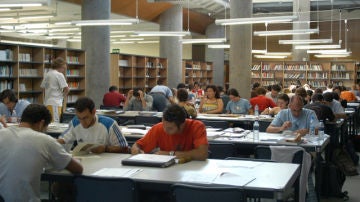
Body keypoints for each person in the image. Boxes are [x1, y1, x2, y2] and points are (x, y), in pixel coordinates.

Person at [0, 104, 83, 201]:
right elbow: (78, 169)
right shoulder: (45, 140)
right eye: (45, 129)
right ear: (41, 123)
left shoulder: (2, 133)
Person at [131, 104, 208, 161]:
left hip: (191, 170)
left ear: (182, 125)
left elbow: (202, 154)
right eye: (164, 125)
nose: (165, 130)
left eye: (170, 128)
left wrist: (170, 154)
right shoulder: (159, 128)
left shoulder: (196, 126)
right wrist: (136, 150)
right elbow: (137, 145)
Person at [57, 97, 129, 153]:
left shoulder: (109, 124)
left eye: (85, 118)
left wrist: (105, 148)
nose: (82, 122)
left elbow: (125, 148)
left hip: (106, 163)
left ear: (94, 112)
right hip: (86, 162)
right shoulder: (75, 122)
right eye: (79, 118)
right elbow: (63, 139)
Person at [40, 57, 69, 123]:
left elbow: (43, 88)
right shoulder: (59, 75)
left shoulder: (48, 74)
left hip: (47, 102)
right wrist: (63, 97)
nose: (64, 70)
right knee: (55, 124)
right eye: (64, 68)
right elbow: (66, 89)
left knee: (49, 123)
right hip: (56, 103)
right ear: (60, 66)